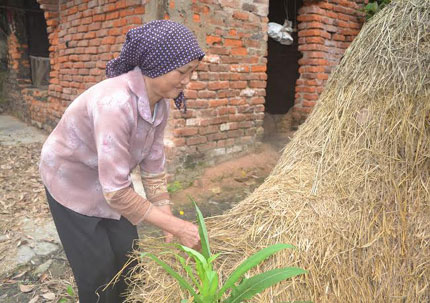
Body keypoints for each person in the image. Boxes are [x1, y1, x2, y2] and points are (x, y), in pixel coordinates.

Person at [39, 20, 205, 303]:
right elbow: (116, 192)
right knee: (98, 274)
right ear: (158, 64)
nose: (187, 81)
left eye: (192, 72)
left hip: (109, 181)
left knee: (128, 261)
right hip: (72, 182)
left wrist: (166, 221)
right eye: (182, 71)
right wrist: (177, 227)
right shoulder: (114, 104)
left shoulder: (159, 104)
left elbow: (153, 166)